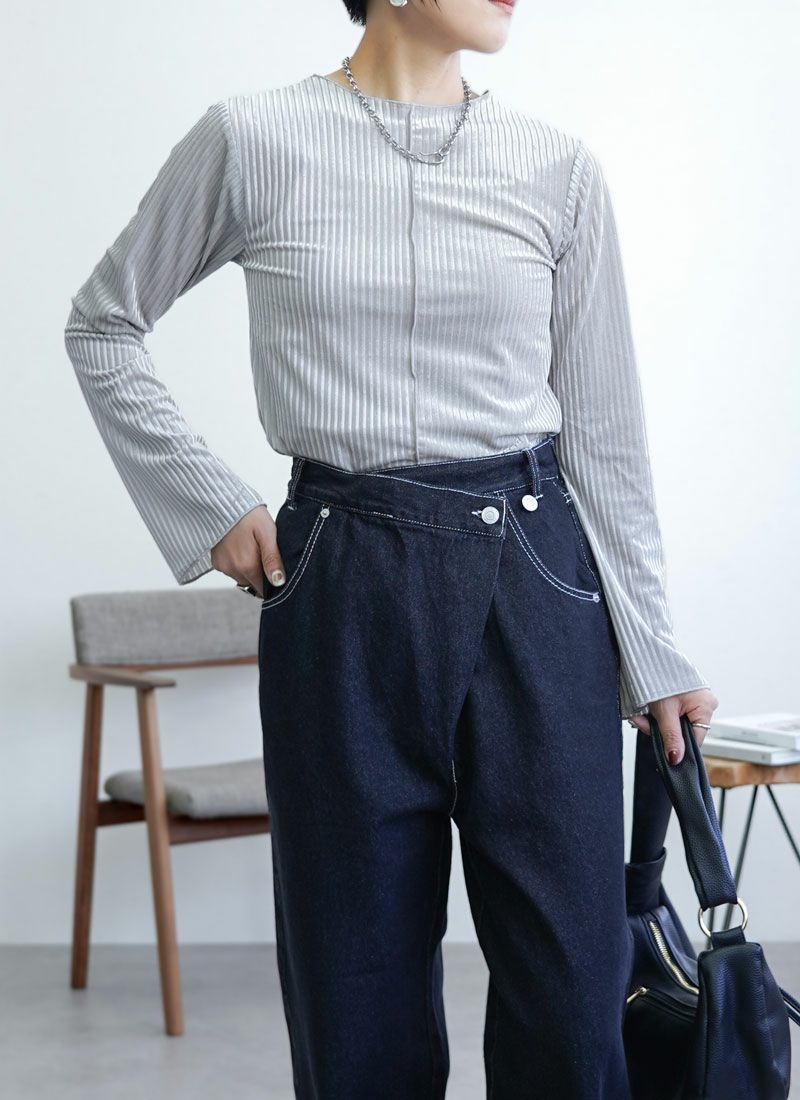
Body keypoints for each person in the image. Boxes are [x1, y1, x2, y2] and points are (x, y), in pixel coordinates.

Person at [63, 0, 719, 1095]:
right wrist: (208, 502)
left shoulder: (556, 167)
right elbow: (103, 324)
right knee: (354, 991)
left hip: (536, 578)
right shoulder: (251, 138)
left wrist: (653, 652)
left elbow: (604, 435)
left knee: (572, 994)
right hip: (342, 580)